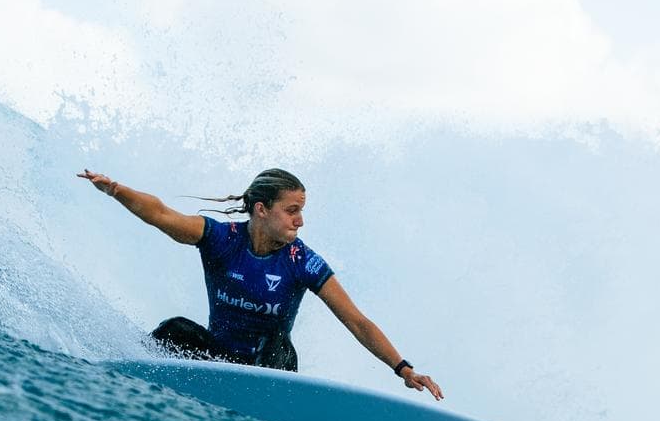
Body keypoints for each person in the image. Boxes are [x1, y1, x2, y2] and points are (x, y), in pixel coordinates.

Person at [78, 168, 443, 400]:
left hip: (270, 370)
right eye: (292, 210)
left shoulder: (303, 262)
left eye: (302, 211)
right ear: (261, 210)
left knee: (277, 344)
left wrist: (404, 369)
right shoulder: (220, 238)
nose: (300, 221)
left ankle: (267, 412)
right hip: (218, 361)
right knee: (174, 329)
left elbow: (357, 321)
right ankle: (134, 389)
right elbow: (161, 214)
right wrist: (115, 190)